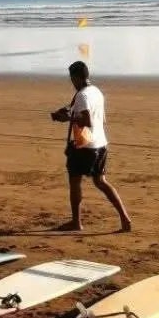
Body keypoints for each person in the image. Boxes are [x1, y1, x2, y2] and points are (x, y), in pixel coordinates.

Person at [50, 60, 132, 233]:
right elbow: (80, 109)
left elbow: (86, 120)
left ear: (76, 77)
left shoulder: (82, 95)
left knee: (75, 181)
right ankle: (125, 218)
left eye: (72, 78)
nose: (72, 82)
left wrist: (68, 118)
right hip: (100, 143)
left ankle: (76, 223)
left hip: (85, 146)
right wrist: (64, 111)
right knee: (101, 181)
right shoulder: (95, 91)